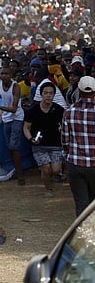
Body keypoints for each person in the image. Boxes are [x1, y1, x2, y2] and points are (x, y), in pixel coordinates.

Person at [23, 82, 65, 197]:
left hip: (56, 144)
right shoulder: (33, 110)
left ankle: (53, 177)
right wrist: (31, 139)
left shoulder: (59, 110)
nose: (48, 96)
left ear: (54, 95)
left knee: (55, 170)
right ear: (41, 94)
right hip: (38, 145)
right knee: (46, 168)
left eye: (51, 93)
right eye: (46, 93)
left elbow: (65, 127)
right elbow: (26, 127)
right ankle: (48, 189)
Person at [61, 76, 95, 216]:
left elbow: (65, 140)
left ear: (79, 90)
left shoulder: (69, 111)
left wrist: (68, 153)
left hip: (75, 162)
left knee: (81, 204)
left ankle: (83, 236)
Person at [0, 66, 26, 185]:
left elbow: (14, 108)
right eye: (2, 73)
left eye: (6, 73)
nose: (4, 76)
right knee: (10, 148)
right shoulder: (0, 85)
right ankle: (16, 171)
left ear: (11, 75)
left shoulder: (16, 86)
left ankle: (20, 175)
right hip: (6, 118)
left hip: (16, 118)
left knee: (14, 147)